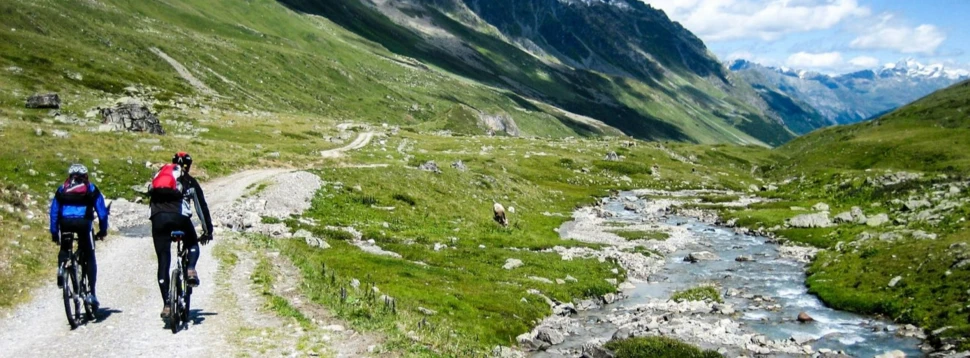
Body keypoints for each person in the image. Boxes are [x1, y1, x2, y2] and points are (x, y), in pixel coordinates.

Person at [148, 152, 213, 319]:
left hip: (158, 219)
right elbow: (201, 207)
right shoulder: (189, 181)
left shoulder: (159, 178)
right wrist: (207, 231)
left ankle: (167, 304)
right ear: (189, 165)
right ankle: (190, 269)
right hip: (179, 218)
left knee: (163, 260)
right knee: (192, 244)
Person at [49, 164, 109, 309]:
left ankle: (62, 269)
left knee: (65, 248)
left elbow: (54, 211)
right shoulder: (91, 188)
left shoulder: (62, 188)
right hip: (84, 224)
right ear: (85, 176)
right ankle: (92, 294)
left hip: (65, 223)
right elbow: (102, 212)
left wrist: (54, 232)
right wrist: (102, 230)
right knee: (89, 255)